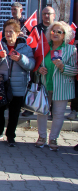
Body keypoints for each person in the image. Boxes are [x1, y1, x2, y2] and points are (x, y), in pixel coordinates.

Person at [0, 19, 35, 147]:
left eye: (11, 31)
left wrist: (21, 58)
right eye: (6, 31)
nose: (8, 34)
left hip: (18, 84)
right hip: (1, 84)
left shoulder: (25, 48)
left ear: (18, 33)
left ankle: (11, 135)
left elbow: (31, 65)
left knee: (14, 112)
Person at [35, 21, 77, 151]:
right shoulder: (44, 47)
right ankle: (41, 137)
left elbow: (75, 70)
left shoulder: (71, 50)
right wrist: (39, 70)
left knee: (58, 114)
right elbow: (37, 64)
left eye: (60, 32)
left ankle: (53, 138)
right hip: (45, 84)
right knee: (42, 112)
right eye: (53, 31)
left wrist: (63, 67)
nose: (56, 33)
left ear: (65, 35)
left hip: (62, 87)